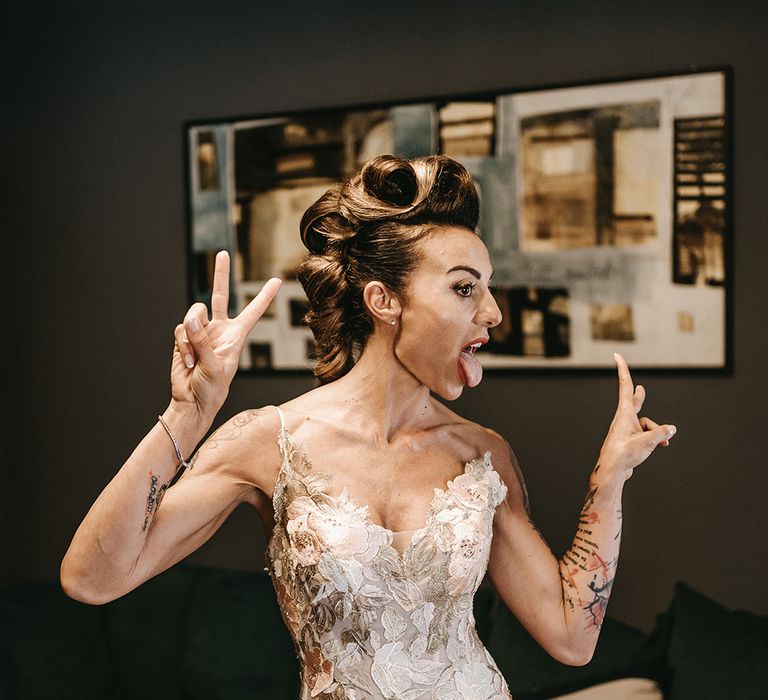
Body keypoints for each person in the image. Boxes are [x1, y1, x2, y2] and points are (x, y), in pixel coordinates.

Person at [61, 154, 676, 699]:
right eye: (465, 289)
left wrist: (611, 477)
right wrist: (187, 417)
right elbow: (92, 579)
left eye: (488, 289)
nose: (491, 313)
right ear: (385, 301)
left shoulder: (482, 454)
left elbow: (572, 637)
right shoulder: (266, 442)